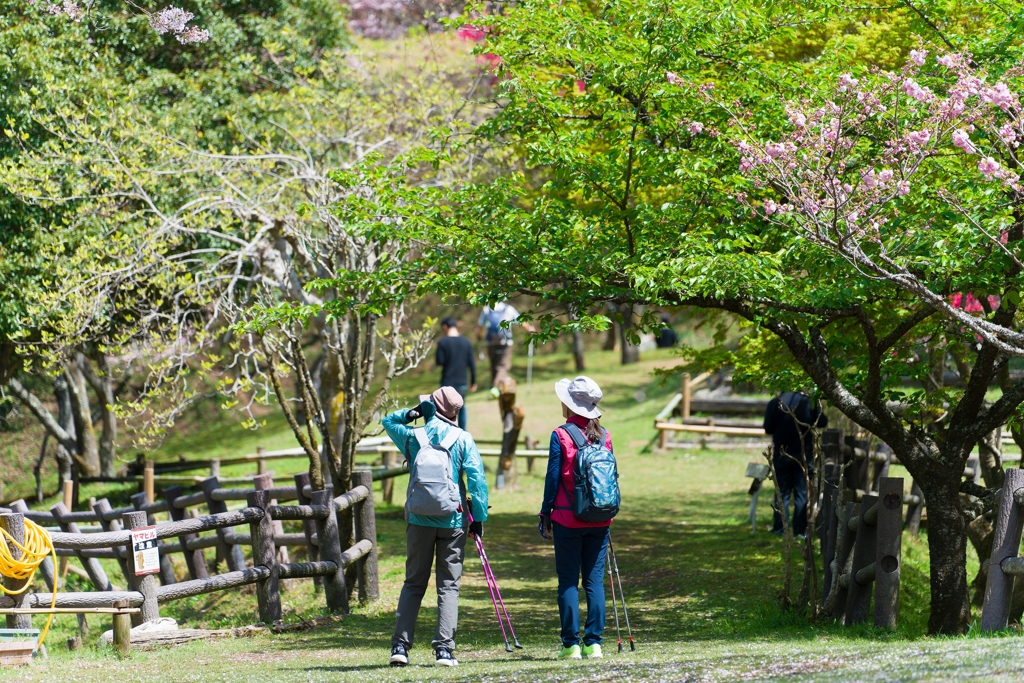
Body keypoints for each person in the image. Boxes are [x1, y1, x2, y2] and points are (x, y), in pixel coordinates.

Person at [382, 386, 489, 668]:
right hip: (452, 520)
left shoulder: (413, 436)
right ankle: (444, 650)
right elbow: (477, 480)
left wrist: (411, 413)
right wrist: (477, 518)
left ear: (432, 407)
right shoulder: (463, 438)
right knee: (448, 586)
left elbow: (387, 421)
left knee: (413, 582)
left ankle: (400, 647)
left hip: (418, 519)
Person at [537, 375, 612, 660]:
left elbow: (552, 478)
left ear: (570, 405)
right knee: (594, 582)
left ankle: (571, 645)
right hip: (600, 519)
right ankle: (595, 644)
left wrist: (545, 513)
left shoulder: (561, 435)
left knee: (568, 581)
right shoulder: (605, 436)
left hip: (568, 519)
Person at [763, 390, 828, 537]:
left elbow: (768, 427)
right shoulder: (809, 402)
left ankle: (780, 529)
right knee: (802, 493)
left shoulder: (775, 402)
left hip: (781, 453)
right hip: (804, 454)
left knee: (782, 492)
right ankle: (800, 531)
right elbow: (823, 422)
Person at [477, 301, 535, 388]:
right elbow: (521, 322)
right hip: (505, 342)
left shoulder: (486, 309)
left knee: (494, 366)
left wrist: (479, 336)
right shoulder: (508, 309)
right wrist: (530, 329)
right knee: (503, 366)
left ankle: (494, 388)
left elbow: (480, 326)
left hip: (490, 342)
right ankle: (496, 388)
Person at [435, 317, 477, 429]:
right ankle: (462, 433)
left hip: (447, 381)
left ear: (444, 326)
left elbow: (440, 361)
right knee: (461, 407)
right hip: (462, 381)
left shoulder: (442, 342)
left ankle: (446, 434)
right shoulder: (466, 342)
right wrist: (473, 381)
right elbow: (472, 364)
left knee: (444, 409)